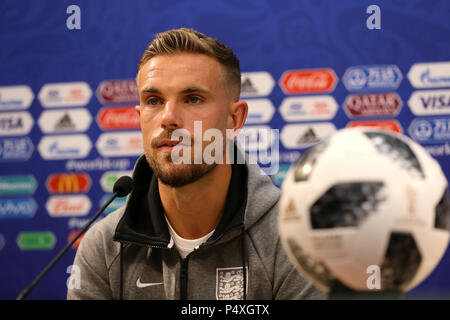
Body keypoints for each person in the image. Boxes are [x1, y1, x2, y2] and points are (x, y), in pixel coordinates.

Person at [67, 28, 325, 300]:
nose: (168, 118)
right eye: (154, 101)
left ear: (234, 119)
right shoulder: (104, 247)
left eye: (192, 99)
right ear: (140, 116)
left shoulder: (293, 242)